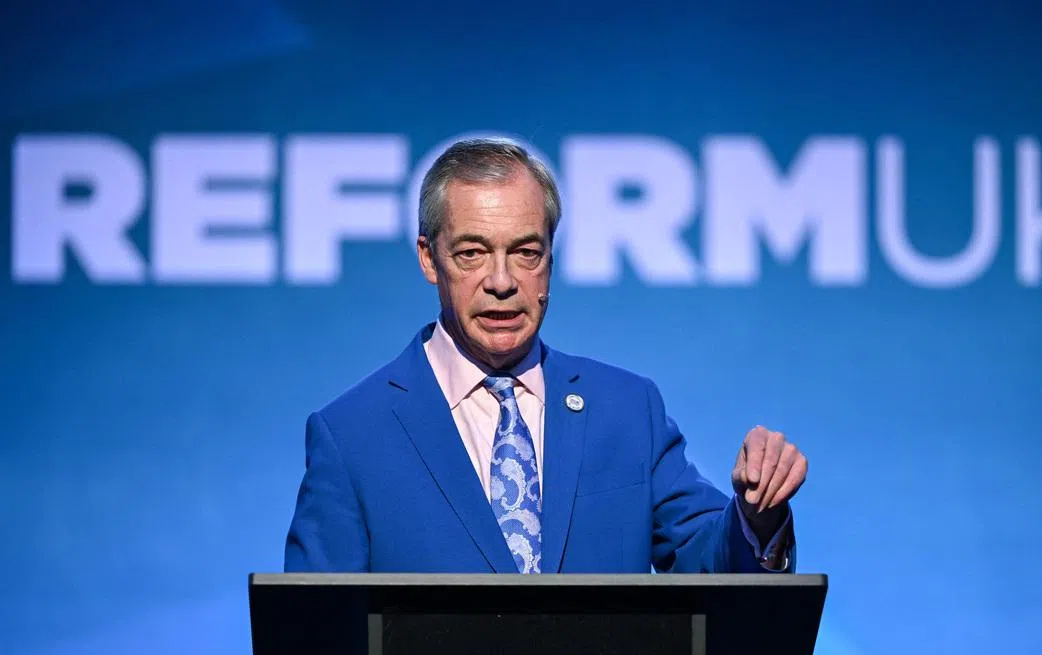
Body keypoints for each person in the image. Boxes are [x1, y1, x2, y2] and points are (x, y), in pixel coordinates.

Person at [285, 138, 807, 575]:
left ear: (550, 257)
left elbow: (708, 559)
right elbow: (317, 635)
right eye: (472, 253)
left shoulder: (626, 410)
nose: (502, 282)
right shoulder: (353, 435)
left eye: (525, 252)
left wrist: (757, 516)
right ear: (429, 258)